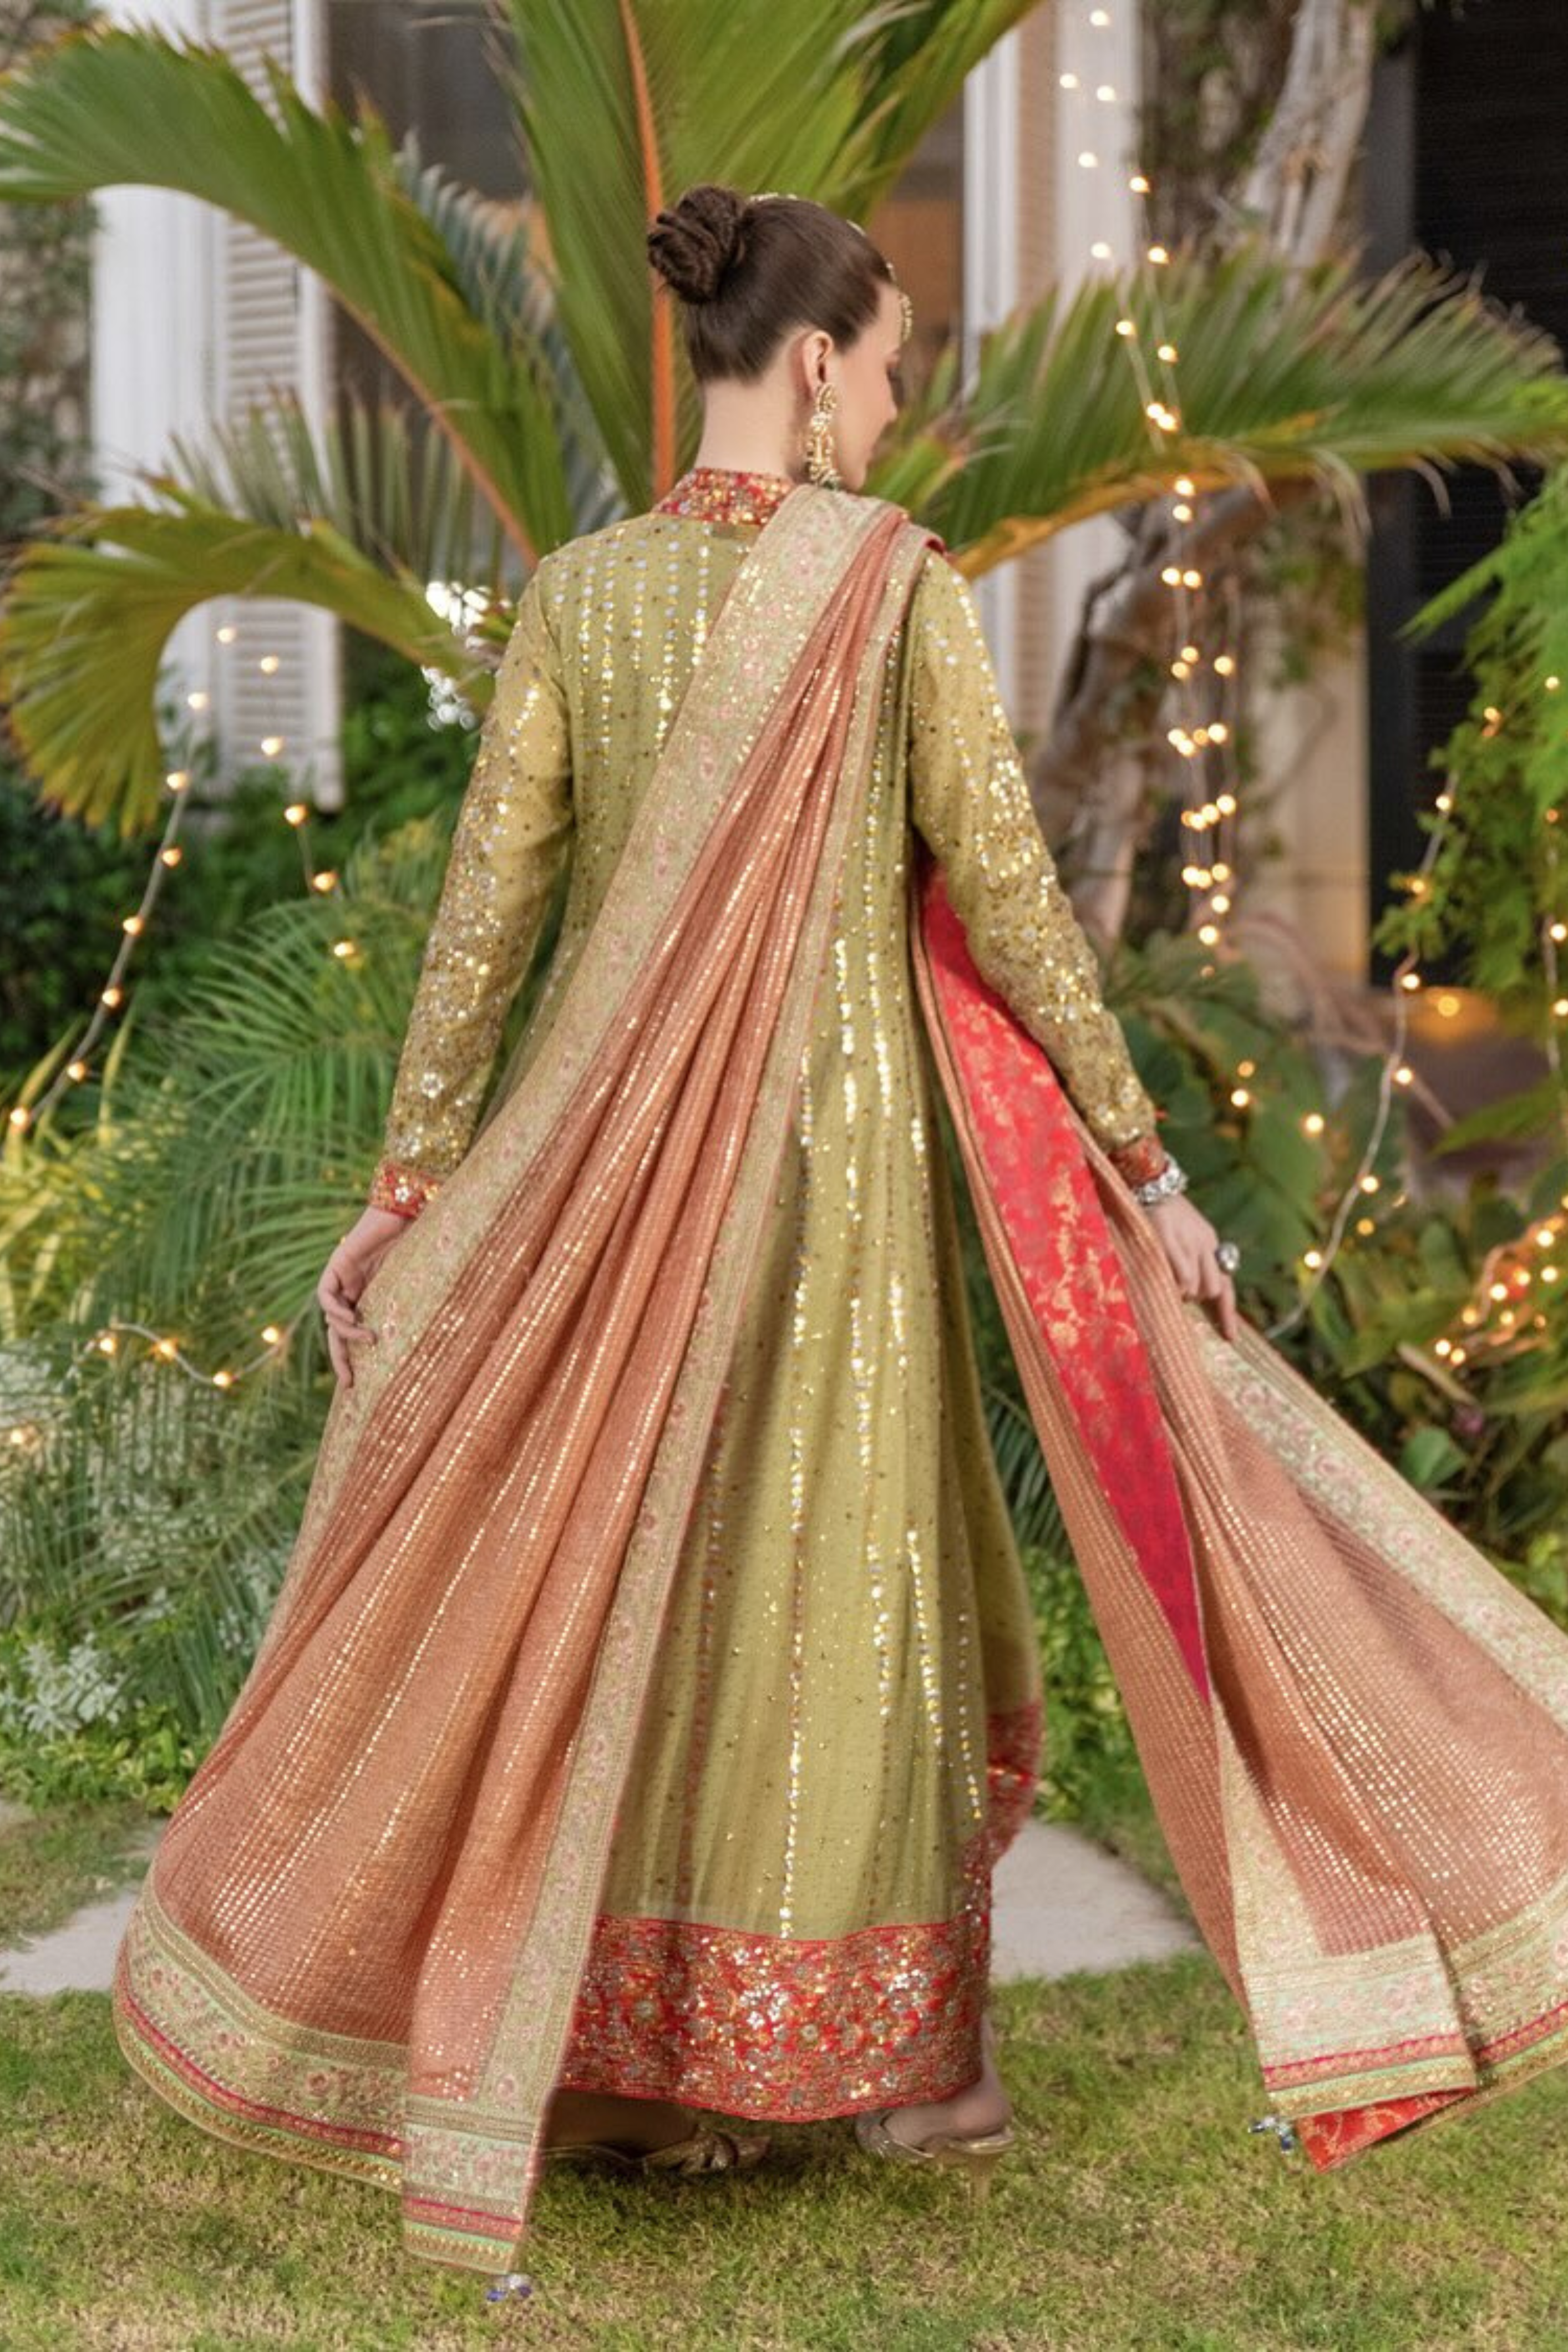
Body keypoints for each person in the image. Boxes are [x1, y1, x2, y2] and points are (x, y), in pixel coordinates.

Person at [113, 184, 1568, 2300]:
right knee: (827, 1565)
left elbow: (484, 921)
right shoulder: (885, 587)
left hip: (613, 1175)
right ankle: (896, 2074)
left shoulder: (581, 595)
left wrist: (413, 1184)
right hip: (834, 1170)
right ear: (811, 362)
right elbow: (1008, 882)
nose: (895, 403)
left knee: (633, 1565)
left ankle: (619, 2062)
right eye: (888, 364)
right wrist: (1146, 1167)